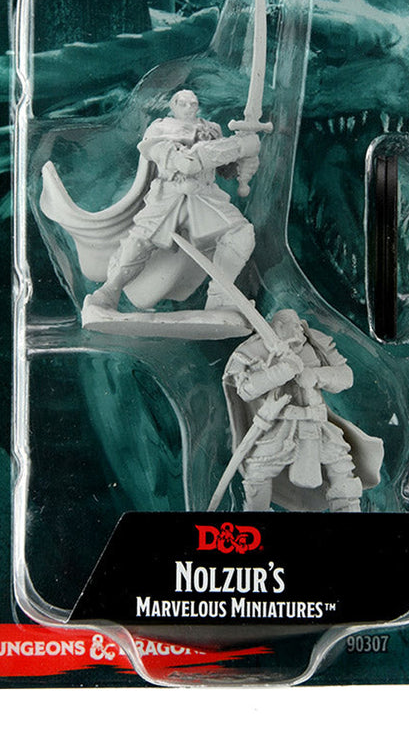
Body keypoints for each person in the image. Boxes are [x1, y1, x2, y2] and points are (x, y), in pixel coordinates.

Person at [88, 90, 260, 311]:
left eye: (193, 103)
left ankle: (220, 296)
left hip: (204, 195)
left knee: (242, 234)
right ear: (173, 105)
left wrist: (244, 164)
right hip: (169, 195)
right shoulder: (160, 129)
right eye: (183, 103)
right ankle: (110, 290)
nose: (189, 107)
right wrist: (239, 146)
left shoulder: (211, 129)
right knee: (140, 240)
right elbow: (187, 163)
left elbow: (224, 170)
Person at [221, 309, 384, 512]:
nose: (299, 330)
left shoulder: (315, 342)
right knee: (257, 471)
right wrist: (282, 370)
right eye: (293, 325)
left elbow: (346, 376)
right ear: (278, 326)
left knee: (341, 468)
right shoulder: (254, 349)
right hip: (279, 426)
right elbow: (245, 390)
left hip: (317, 423)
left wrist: (316, 375)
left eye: (299, 325)